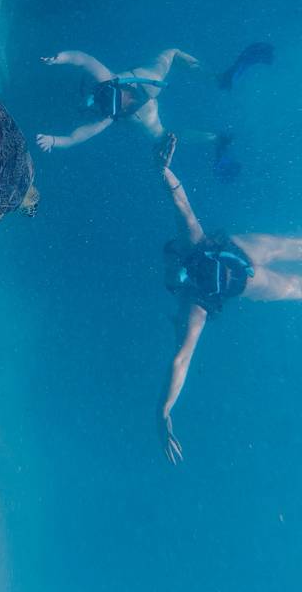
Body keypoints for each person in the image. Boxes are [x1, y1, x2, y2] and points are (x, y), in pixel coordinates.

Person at [159, 137, 302, 464]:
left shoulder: (193, 255)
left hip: (240, 256)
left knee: (293, 252)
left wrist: (163, 170)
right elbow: (181, 359)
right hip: (244, 271)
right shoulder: (195, 302)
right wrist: (164, 410)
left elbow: (180, 202)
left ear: (176, 252)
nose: (175, 270)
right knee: (294, 278)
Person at [36, 48, 201, 156]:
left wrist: (54, 141)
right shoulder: (107, 82)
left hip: (145, 103)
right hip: (146, 83)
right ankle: (204, 72)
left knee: (165, 137)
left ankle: (211, 137)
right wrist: (59, 58)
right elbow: (83, 59)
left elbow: (75, 138)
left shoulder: (105, 117)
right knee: (171, 54)